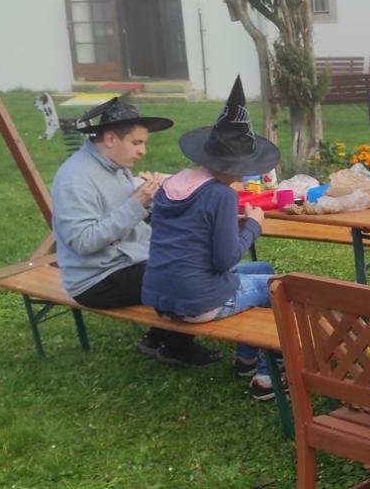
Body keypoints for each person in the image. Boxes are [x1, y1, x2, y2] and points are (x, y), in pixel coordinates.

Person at [50, 96, 221, 367]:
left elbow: (121, 204)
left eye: (144, 143)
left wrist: (155, 192)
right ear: (110, 139)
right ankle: (176, 348)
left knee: (185, 253)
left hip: (126, 261)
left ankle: (156, 338)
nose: (142, 151)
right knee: (182, 274)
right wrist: (137, 203)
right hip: (96, 279)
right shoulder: (75, 179)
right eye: (137, 143)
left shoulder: (113, 165)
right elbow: (83, 242)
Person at [142, 77, 283, 401]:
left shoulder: (171, 185)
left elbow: (191, 236)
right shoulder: (220, 195)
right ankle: (267, 376)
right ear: (234, 165)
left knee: (262, 268)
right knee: (278, 287)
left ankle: (246, 359)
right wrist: (253, 225)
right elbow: (224, 260)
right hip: (197, 301)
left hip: (161, 296)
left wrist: (232, 226)